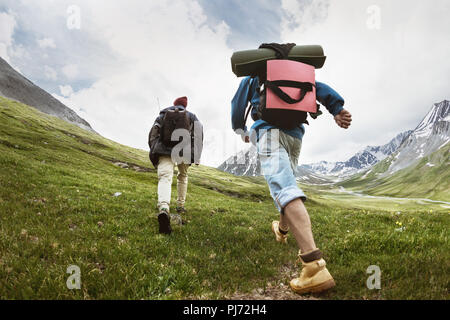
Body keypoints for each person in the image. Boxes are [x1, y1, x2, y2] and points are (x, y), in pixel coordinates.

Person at [231, 76, 352, 295]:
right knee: (287, 186)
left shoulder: (255, 74)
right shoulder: (296, 73)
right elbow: (318, 88)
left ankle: (314, 266)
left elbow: (237, 104)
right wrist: (337, 108)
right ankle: (282, 230)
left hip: (268, 131)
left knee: (285, 189)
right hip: (295, 135)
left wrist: (240, 129)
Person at [149, 96, 203, 234]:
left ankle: (164, 208)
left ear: (174, 104)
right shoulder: (191, 116)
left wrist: (155, 148)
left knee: (165, 178)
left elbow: (153, 134)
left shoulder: (162, 115)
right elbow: (199, 134)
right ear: (185, 106)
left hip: (163, 149)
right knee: (182, 176)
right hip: (184, 151)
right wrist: (196, 156)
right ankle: (180, 206)